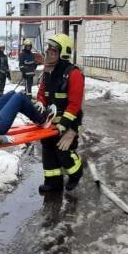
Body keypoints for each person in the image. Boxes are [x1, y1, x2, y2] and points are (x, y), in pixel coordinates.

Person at [35, 33, 84, 193]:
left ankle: (76, 173)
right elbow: (42, 93)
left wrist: (67, 128)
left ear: (63, 53)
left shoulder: (74, 74)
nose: (48, 52)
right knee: (48, 151)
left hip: (69, 123)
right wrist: (41, 103)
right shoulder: (48, 71)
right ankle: (53, 182)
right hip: (50, 124)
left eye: (53, 50)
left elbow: (74, 105)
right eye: (48, 48)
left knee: (63, 152)